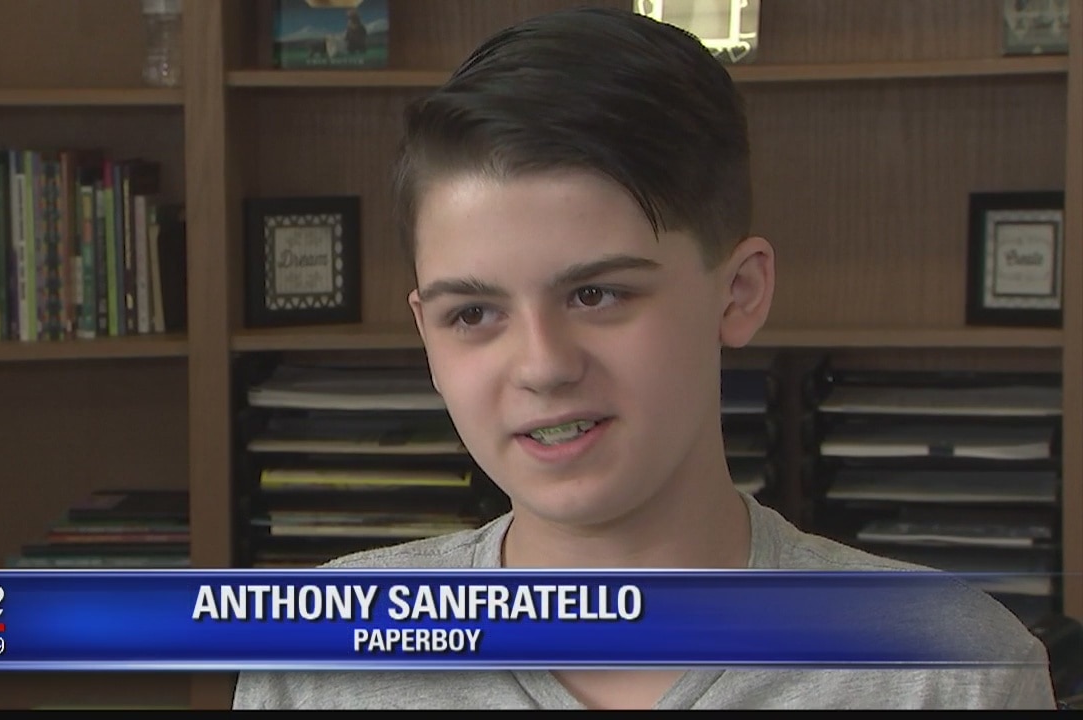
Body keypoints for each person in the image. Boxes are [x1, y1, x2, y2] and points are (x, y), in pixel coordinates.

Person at [232, 6, 1056, 710]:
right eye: (473, 313)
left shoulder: (948, 672)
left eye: (596, 295)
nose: (543, 366)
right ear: (427, 335)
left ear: (738, 293)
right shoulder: (317, 664)